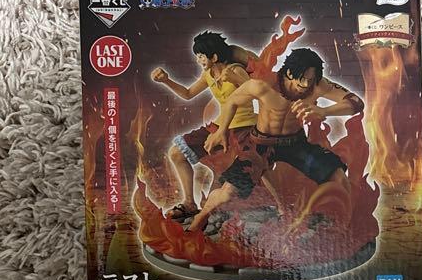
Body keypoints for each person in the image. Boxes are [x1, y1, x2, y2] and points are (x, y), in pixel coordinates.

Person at [203, 47, 363, 230]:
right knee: (228, 192)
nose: (306, 84)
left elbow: (356, 102)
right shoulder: (265, 83)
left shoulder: (317, 85)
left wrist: (325, 111)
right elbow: (232, 100)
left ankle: (344, 228)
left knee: (338, 177)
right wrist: (221, 131)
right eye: (302, 79)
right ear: (289, 73)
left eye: (310, 80)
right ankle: (199, 220)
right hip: (261, 142)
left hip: (295, 143)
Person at [150, 31, 259, 230]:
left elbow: (257, 91)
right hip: (218, 126)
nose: (198, 60)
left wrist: (238, 79)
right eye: (197, 56)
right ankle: (189, 204)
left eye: (201, 56)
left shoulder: (235, 70)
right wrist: (166, 80)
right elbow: (188, 94)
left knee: (224, 180)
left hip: (244, 128)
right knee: (176, 153)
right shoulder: (208, 75)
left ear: (214, 57)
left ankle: (215, 217)